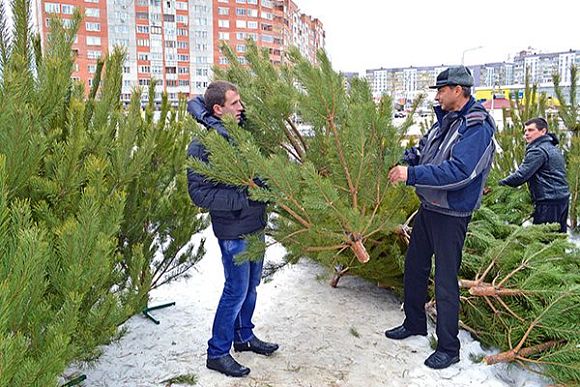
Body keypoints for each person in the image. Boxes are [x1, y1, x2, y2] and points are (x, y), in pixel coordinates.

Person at [385, 66, 496, 369]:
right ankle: (414, 323)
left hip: (452, 213)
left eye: (441, 89)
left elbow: (461, 172)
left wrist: (412, 174)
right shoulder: (444, 121)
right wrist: (402, 160)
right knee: (415, 267)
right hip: (429, 208)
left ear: (458, 90)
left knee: (446, 280)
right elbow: (422, 150)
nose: (437, 95)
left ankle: (449, 347)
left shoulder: (477, 126)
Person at [186, 81, 278, 378]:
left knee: (251, 286)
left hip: (255, 224)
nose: (242, 108)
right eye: (235, 103)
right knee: (235, 290)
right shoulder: (203, 145)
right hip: (233, 230)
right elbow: (199, 194)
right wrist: (243, 198)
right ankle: (217, 352)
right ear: (218, 109)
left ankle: (244, 336)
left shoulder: (241, 136)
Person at [499, 117, 569, 232]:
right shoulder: (552, 147)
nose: (526, 133)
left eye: (531, 130)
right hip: (561, 200)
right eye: (525, 130)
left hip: (548, 203)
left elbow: (521, 176)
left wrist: (498, 185)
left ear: (543, 131)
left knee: (541, 241)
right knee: (557, 241)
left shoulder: (538, 150)